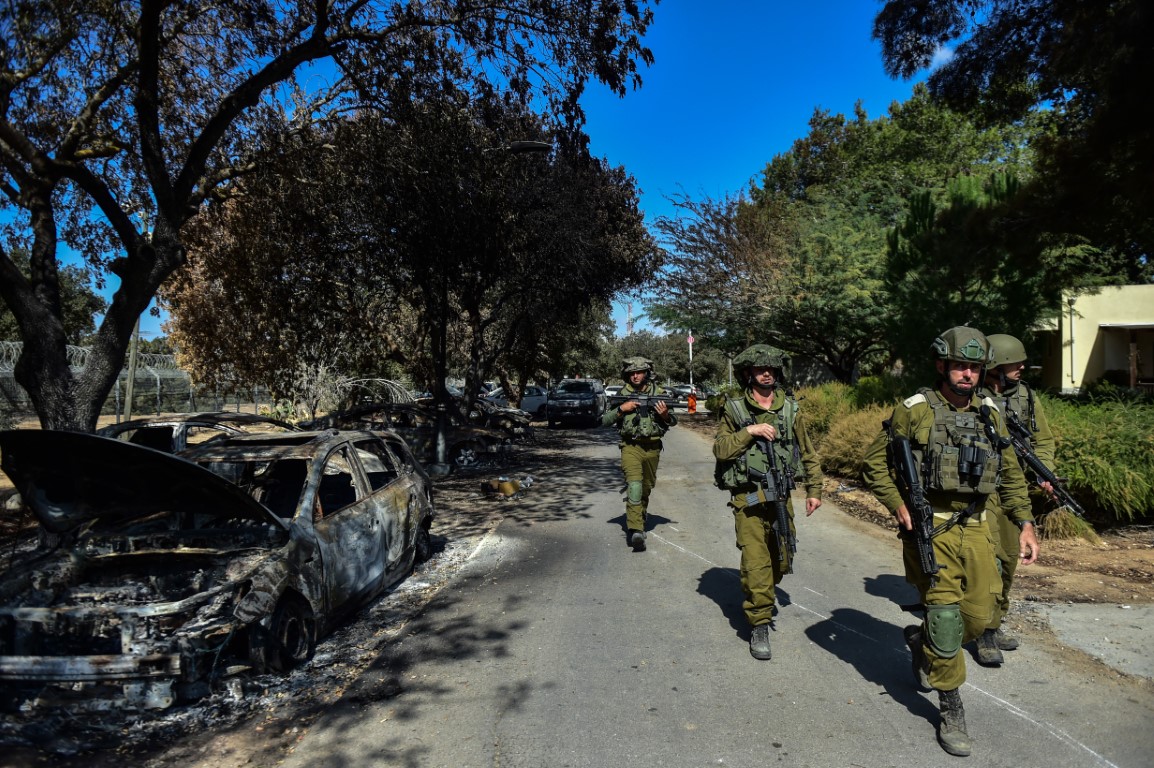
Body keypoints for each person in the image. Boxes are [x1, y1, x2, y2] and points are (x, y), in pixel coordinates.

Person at [861, 326, 1040, 756]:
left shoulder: (990, 411)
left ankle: (921, 642)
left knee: (977, 621)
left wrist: (1025, 521)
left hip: (977, 526)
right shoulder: (915, 410)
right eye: (960, 366)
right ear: (942, 366)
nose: (967, 375)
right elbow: (874, 462)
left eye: (975, 368)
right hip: (932, 526)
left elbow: (1011, 472)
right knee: (944, 616)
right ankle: (950, 705)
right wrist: (896, 504)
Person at [713, 344, 823, 660]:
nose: (766, 373)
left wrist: (815, 489)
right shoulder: (734, 410)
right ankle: (760, 621)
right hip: (748, 500)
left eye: (771, 369)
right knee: (756, 562)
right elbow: (721, 450)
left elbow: (808, 451)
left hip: (781, 498)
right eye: (761, 369)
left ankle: (763, 593)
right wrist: (750, 430)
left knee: (781, 559)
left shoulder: (790, 409)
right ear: (748, 373)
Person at [976, 333, 1057, 664]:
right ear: (995, 366)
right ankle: (981, 630)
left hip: (1014, 489)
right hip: (980, 491)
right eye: (1015, 363)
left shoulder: (1026, 396)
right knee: (985, 562)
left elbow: (1044, 440)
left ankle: (993, 624)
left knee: (1009, 558)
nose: (1022, 366)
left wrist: (1045, 473)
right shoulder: (973, 397)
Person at [602, 356, 677, 551]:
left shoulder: (659, 393)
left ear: (646, 373)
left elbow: (673, 421)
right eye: (632, 373)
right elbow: (604, 420)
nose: (635, 376)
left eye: (639, 372)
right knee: (634, 486)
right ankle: (635, 529)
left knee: (645, 487)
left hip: (652, 448)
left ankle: (639, 515)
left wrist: (665, 415)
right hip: (630, 447)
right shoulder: (621, 394)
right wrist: (621, 409)